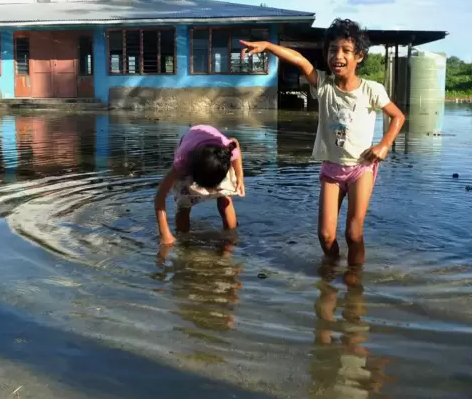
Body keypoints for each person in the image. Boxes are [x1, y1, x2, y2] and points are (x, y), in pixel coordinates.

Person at [240, 18, 405, 265]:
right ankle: (331, 269)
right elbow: (299, 60)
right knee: (326, 236)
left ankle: (354, 281)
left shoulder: (372, 89)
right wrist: (268, 46)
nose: (338, 55)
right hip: (332, 168)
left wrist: (384, 145)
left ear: (358, 56)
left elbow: (398, 116)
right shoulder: (324, 85)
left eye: (346, 50)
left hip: (362, 167)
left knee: (353, 233)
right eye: (332, 50)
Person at [154, 125, 245, 246]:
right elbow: (160, 196)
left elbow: (235, 144)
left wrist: (240, 178)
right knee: (183, 204)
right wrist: (165, 234)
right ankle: (184, 241)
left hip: (214, 156)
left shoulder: (226, 149)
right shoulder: (182, 161)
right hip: (191, 156)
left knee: (225, 197)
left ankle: (231, 236)